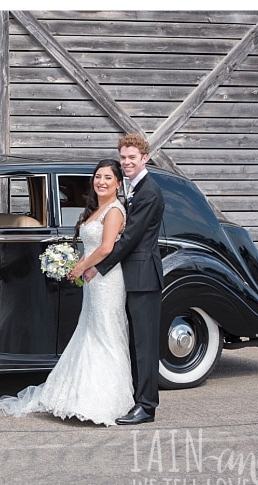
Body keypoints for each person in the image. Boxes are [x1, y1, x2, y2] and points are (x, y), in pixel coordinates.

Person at [0, 159, 134, 425]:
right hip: (94, 277)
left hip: (106, 279)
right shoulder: (95, 209)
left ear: (117, 183)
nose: (101, 182)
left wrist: (80, 267)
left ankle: (106, 400)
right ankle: (81, 394)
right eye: (98, 177)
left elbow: (106, 248)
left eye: (108, 178)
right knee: (89, 330)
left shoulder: (114, 211)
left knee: (106, 333)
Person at [95, 134, 165, 425]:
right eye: (123, 157)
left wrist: (98, 267)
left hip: (144, 276)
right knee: (135, 342)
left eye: (131, 158)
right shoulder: (135, 188)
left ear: (144, 158)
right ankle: (137, 398)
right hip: (132, 276)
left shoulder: (149, 191)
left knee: (145, 346)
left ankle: (147, 407)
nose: (126, 162)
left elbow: (131, 238)